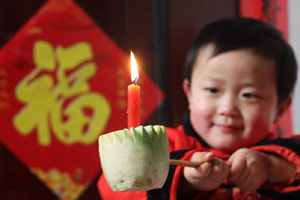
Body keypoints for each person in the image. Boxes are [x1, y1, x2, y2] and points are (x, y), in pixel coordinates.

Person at [98, 18, 300, 200]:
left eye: (249, 95)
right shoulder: (161, 145)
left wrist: (273, 167)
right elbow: (115, 190)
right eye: (213, 90)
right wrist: (186, 180)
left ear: (281, 109)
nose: (227, 108)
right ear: (189, 93)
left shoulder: (289, 152)